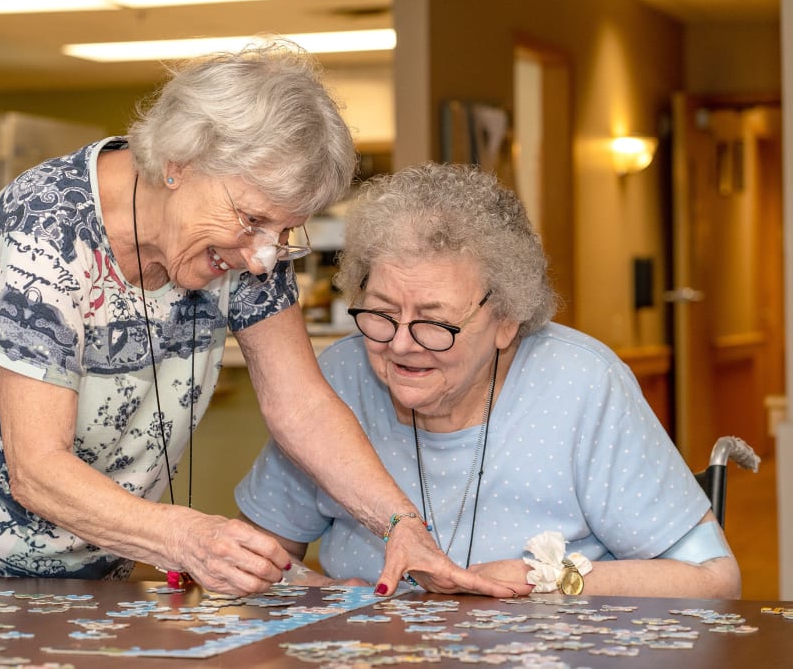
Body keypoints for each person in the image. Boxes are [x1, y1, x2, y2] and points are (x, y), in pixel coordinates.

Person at [0, 41, 523, 598]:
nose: (264, 254)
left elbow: (301, 404)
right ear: (178, 163)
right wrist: (186, 536)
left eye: (285, 230)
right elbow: (37, 468)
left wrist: (400, 523)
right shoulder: (46, 226)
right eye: (254, 220)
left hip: (89, 561)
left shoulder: (242, 247)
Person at [236, 161, 742, 598]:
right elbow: (261, 555)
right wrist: (317, 591)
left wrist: (540, 579)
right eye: (382, 313)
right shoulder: (338, 379)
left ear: (506, 320)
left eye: (435, 323)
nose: (402, 343)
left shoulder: (583, 384)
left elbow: (713, 580)